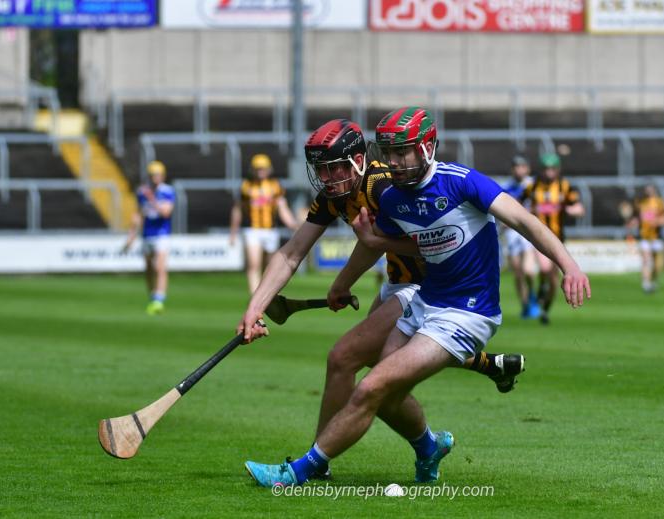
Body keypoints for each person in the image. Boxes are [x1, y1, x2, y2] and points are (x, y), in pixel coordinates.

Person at [241, 107, 590, 487]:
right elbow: (300, 252)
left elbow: (502, 225)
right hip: (416, 293)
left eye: (334, 167)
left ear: (359, 161)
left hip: (435, 295)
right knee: (382, 386)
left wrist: (567, 264)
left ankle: (306, 468)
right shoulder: (365, 196)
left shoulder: (392, 186)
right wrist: (254, 309)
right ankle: (430, 444)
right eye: (320, 169)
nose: (326, 177)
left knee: (358, 371)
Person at [522, 152, 585, 325]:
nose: (549, 172)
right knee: (543, 267)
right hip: (539, 236)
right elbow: (519, 204)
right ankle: (541, 287)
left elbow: (578, 207)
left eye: (552, 169)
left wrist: (571, 210)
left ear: (557, 170)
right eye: (546, 169)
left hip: (558, 238)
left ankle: (545, 309)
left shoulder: (565, 187)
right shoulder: (533, 187)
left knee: (553, 279)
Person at [229, 154, 299, 294]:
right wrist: (233, 232)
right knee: (253, 264)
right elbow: (238, 209)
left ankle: (266, 294)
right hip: (252, 230)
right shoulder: (246, 187)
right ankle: (254, 295)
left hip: (270, 231)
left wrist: (294, 225)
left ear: (268, 169)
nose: (260, 171)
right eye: (258, 168)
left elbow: (282, 209)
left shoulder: (275, 186)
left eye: (263, 168)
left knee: (270, 266)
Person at [122, 160, 175, 315]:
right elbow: (138, 214)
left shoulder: (167, 191)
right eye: (152, 175)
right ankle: (153, 296)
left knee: (160, 266)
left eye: (157, 175)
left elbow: (166, 212)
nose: (155, 178)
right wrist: (131, 236)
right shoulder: (141, 193)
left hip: (162, 234)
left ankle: (159, 299)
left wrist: (152, 199)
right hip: (147, 234)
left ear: (163, 176)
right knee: (149, 269)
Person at [502, 155, 539, 318]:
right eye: (516, 167)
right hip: (511, 233)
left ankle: (532, 295)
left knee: (528, 270)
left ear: (528, 169)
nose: (519, 170)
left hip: (527, 231)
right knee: (517, 271)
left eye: (522, 167)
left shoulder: (534, 185)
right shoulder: (506, 187)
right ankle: (524, 303)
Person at [627, 184, 664, 294]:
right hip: (644, 236)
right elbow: (636, 218)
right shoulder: (640, 203)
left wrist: (656, 222)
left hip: (656, 236)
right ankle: (646, 284)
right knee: (646, 260)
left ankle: (652, 279)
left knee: (656, 265)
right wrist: (633, 223)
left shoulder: (660, 203)